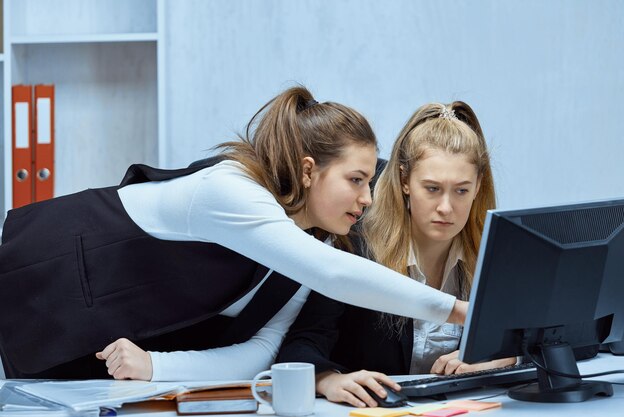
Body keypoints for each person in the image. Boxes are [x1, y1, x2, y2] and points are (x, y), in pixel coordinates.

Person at [0, 86, 467, 381]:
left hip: (66, 349)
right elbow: (334, 274)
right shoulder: (231, 191)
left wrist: (156, 366)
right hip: (33, 275)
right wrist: (461, 311)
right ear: (308, 171)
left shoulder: (310, 246)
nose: (367, 200)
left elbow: (260, 352)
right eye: (356, 179)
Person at [277, 101, 516, 408]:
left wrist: (499, 358)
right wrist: (328, 380)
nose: (446, 207)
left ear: (478, 185)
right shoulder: (356, 248)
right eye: (431, 188)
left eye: (461, 190)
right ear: (404, 180)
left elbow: (544, 339)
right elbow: (301, 344)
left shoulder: (494, 255)